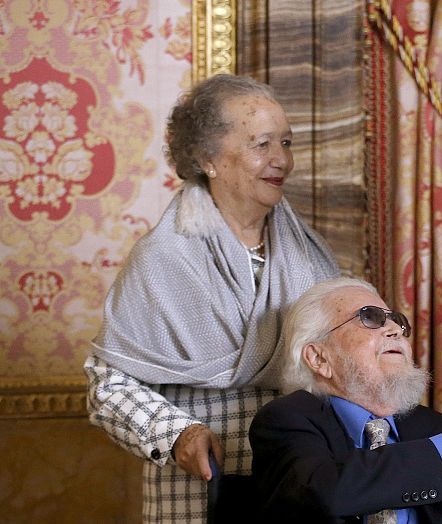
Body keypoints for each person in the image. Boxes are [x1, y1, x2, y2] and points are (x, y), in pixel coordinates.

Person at [83, 74, 340, 523]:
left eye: (286, 142)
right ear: (208, 159)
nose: (282, 159)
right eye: (262, 144)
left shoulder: (310, 252)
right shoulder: (162, 258)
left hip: (297, 475)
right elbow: (108, 386)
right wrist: (177, 433)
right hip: (198, 485)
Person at [249, 277, 442, 523]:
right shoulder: (286, 421)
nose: (395, 329)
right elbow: (325, 492)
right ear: (319, 358)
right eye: (370, 317)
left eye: (397, 321)